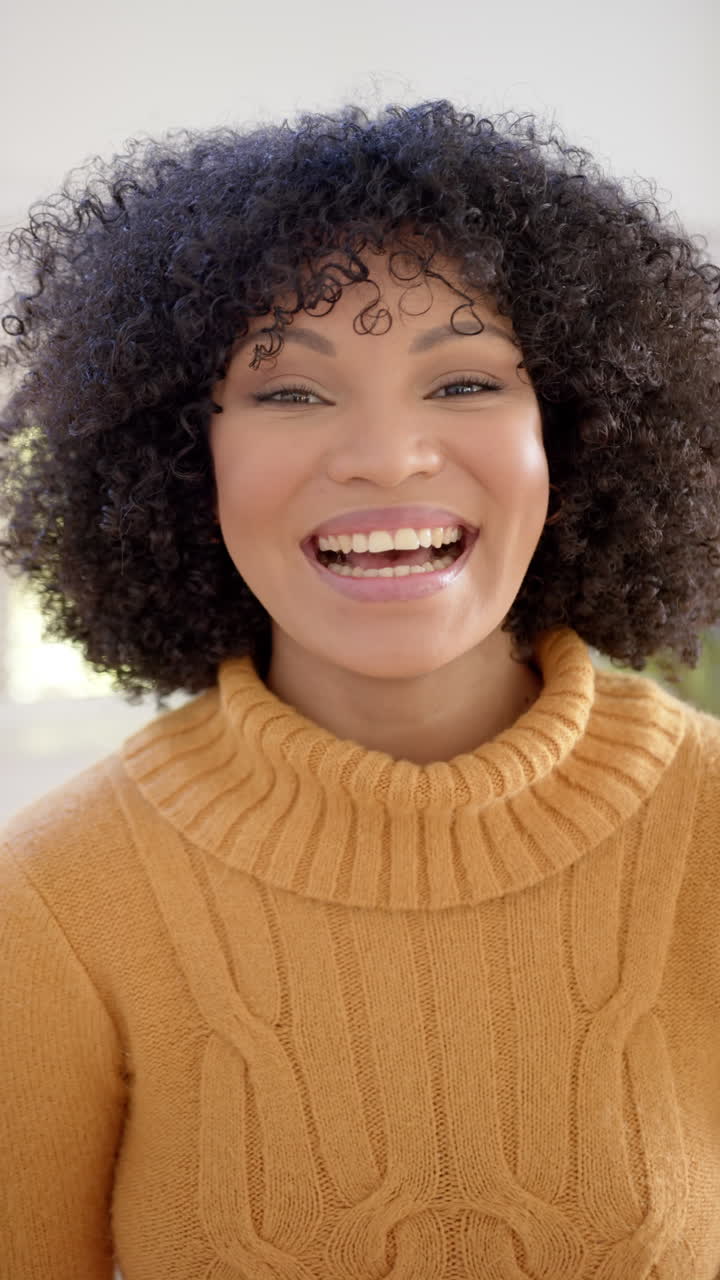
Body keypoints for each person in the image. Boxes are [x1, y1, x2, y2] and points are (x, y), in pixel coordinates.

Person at [1, 100, 719, 1280]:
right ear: (183, 457)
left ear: (576, 431)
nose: (387, 454)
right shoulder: (53, 901)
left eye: (466, 382)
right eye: (288, 392)